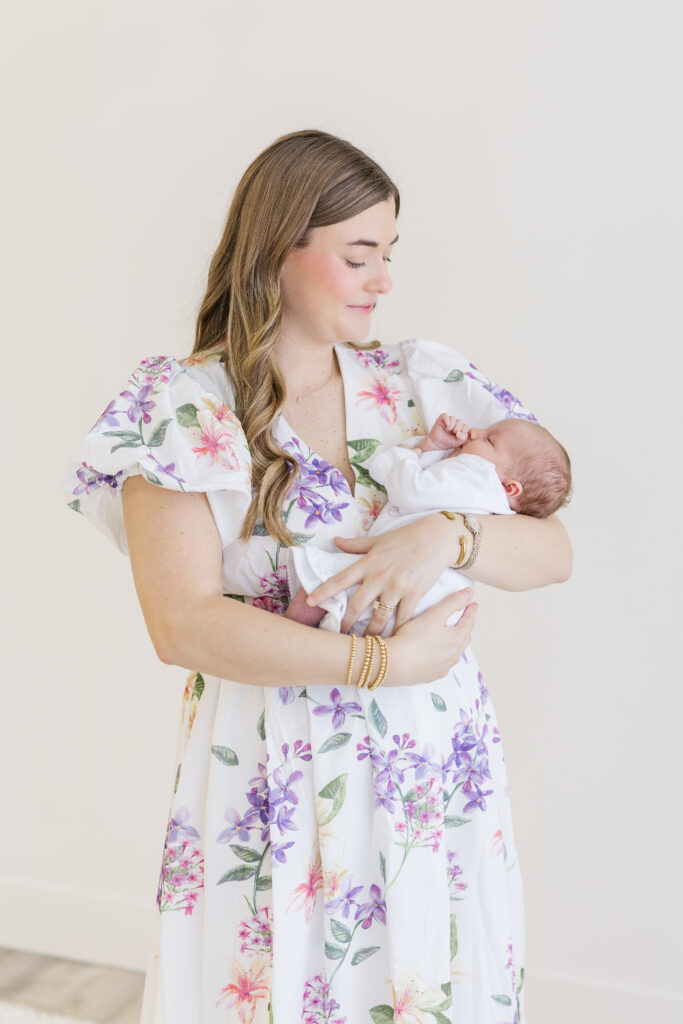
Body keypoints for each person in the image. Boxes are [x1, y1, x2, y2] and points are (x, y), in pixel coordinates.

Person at [63, 130, 572, 1024]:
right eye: (358, 254)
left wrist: (446, 537)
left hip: (430, 765)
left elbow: (552, 551)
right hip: (270, 760)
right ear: (277, 251)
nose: (384, 279)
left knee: (426, 980)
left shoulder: (423, 381)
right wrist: (384, 664)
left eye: (389, 254)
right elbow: (181, 624)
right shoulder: (182, 407)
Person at [284, 413, 572, 637]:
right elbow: (438, 489)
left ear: (510, 487)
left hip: (394, 584)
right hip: (430, 611)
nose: (474, 432)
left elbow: (413, 490)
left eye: (489, 440)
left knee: (318, 586)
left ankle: (292, 637)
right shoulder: (497, 506)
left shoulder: (478, 475)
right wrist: (432, 447)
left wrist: (406, 454)